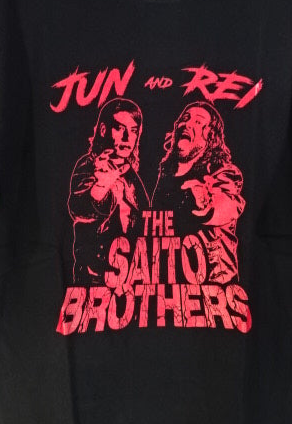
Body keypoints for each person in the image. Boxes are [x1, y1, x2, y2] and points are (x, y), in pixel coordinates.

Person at [151, 101, 245, 285]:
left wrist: (205, 201)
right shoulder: (165, 175)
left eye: (198, 121)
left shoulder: (223, 172)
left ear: (211, 135)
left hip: (212, 289)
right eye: (185, 119)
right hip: (170, 288)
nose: (187, 124)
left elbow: (229, 204)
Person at [68, 97, 149, 284]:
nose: (127, 138)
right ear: (104, 130)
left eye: (133, 130)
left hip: (133, 281)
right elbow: (79, 207)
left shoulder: (130, 174)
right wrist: (102, 186)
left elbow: (146, 218)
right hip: (95, 281)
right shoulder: (90, 165)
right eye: (120, 128)